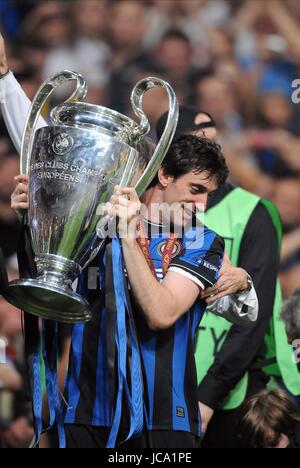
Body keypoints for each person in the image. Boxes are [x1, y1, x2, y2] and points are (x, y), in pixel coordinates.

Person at [157, 105, 300, 448]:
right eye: (196, 141)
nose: (210, 149)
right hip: (165, 382)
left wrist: (209, 395)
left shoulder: (254, 211)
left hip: (238, 388)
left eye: (214, 140)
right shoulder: (152, 213)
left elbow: (255, 315)